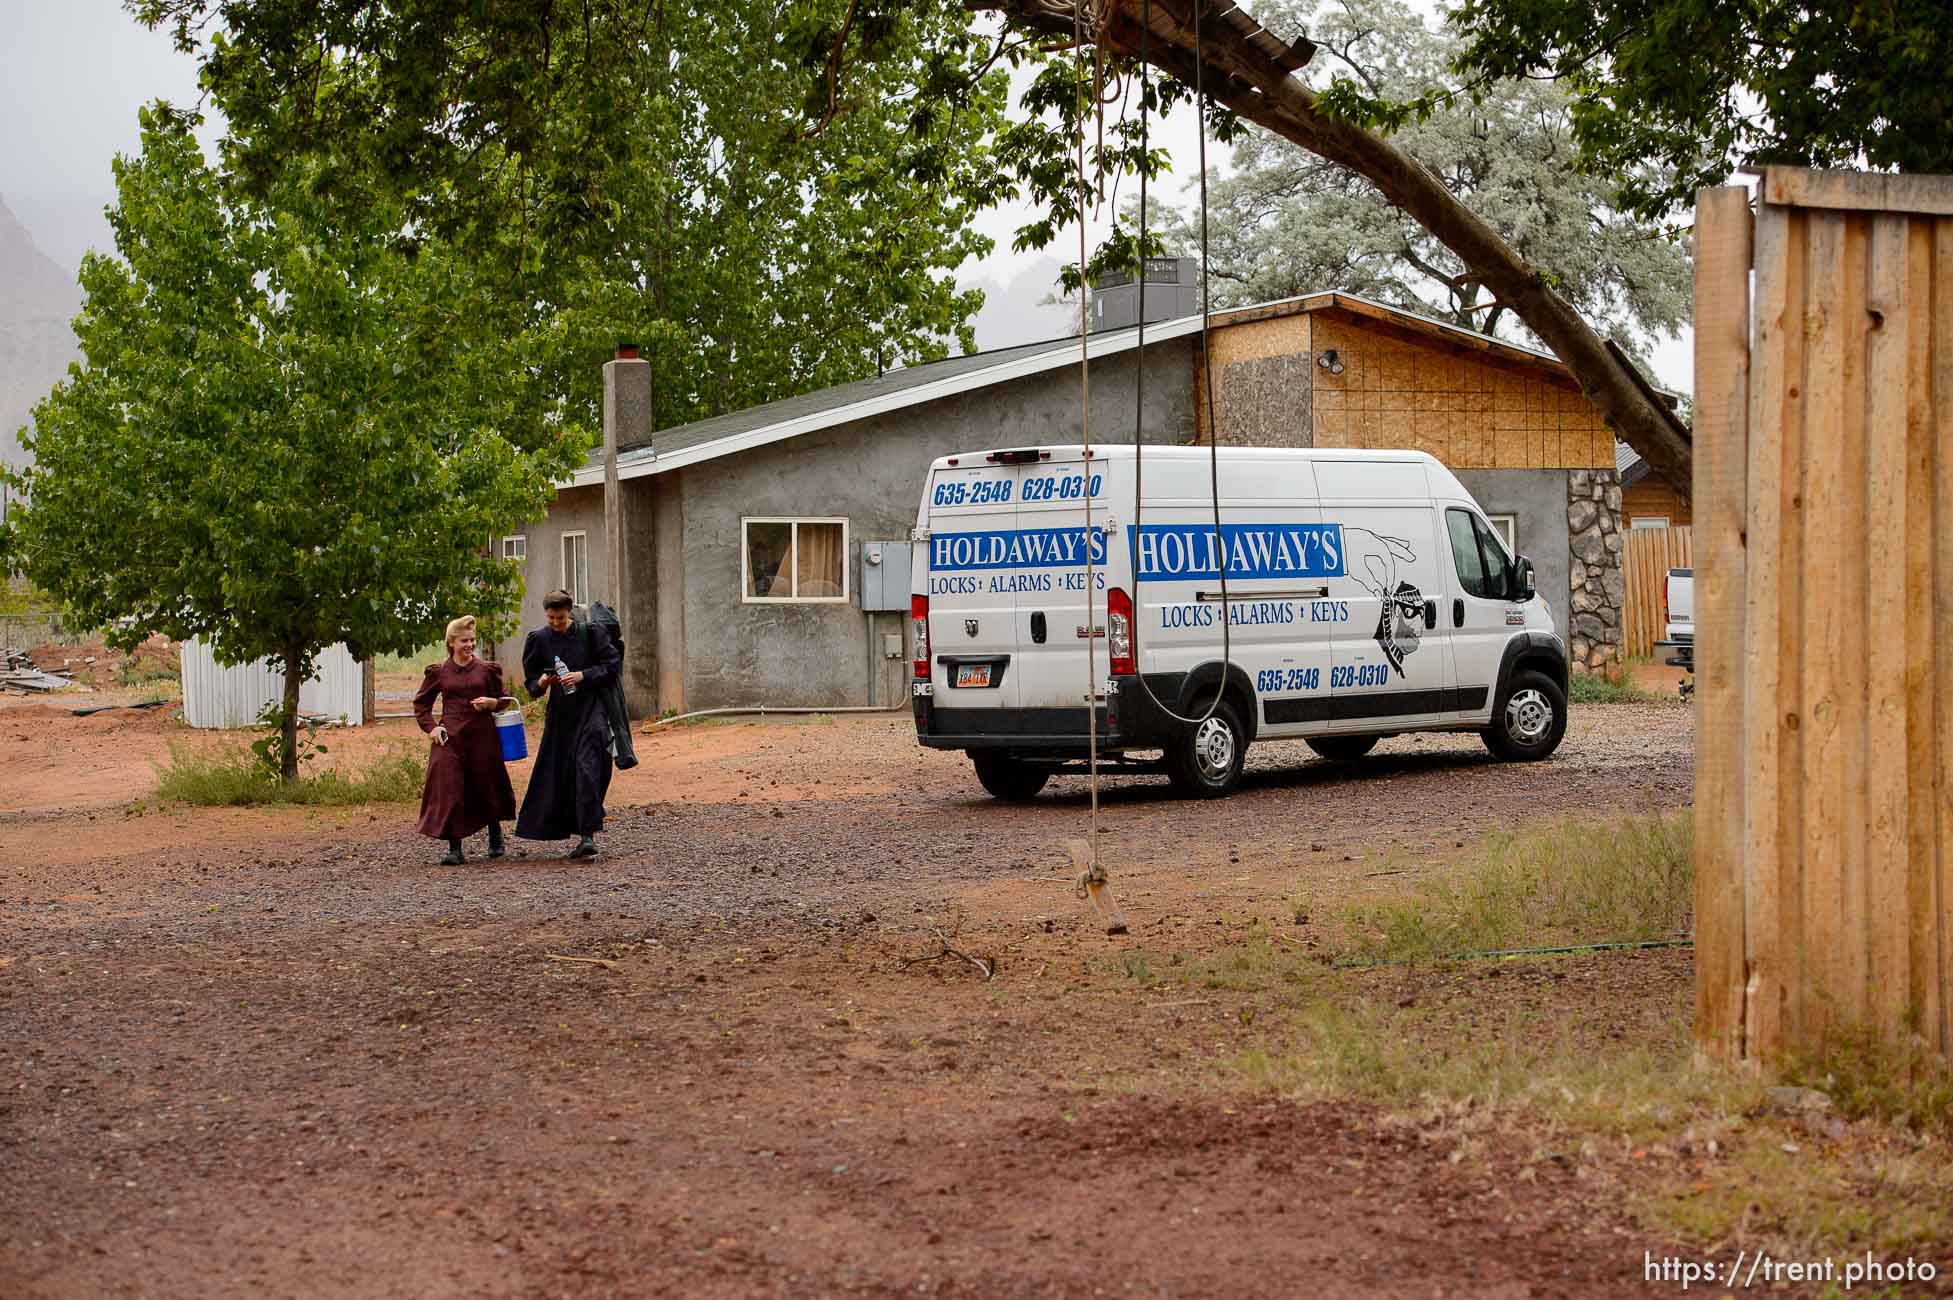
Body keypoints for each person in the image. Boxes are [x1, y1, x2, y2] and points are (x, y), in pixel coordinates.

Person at [516, 589, 621, 859]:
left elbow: (612, 666)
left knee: (587, 767)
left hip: (592, 709)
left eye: (560, 618)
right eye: (550, 618)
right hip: (561, 715)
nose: (555, 623)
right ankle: (562, 827)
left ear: (569, 613)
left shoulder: (591, 634)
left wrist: (582, 675)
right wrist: (542, 682)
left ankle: (587, 835)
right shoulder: (539, 639)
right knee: (560, 772)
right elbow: (531, 682)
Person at [413, 615, 517, 865]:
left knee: (486, 784)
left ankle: (495, 835)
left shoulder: (486, 670)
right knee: (450, 788)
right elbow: (421, 704)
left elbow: (503, 700)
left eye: (472, 640)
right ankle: (454, 847)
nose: (470, 645)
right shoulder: (439, 672)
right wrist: (431, 729)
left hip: (482, 736)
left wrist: (492, 703)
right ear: (451, 642)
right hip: (450, 737)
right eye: (464, 641)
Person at [588, 599, 639, 770]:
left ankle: (622, 755)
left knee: (614, 723)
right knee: (615, 722)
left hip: (608, 687)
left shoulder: (610, 645)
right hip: (609, 687)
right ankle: (621, 754)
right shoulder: (615, 643)